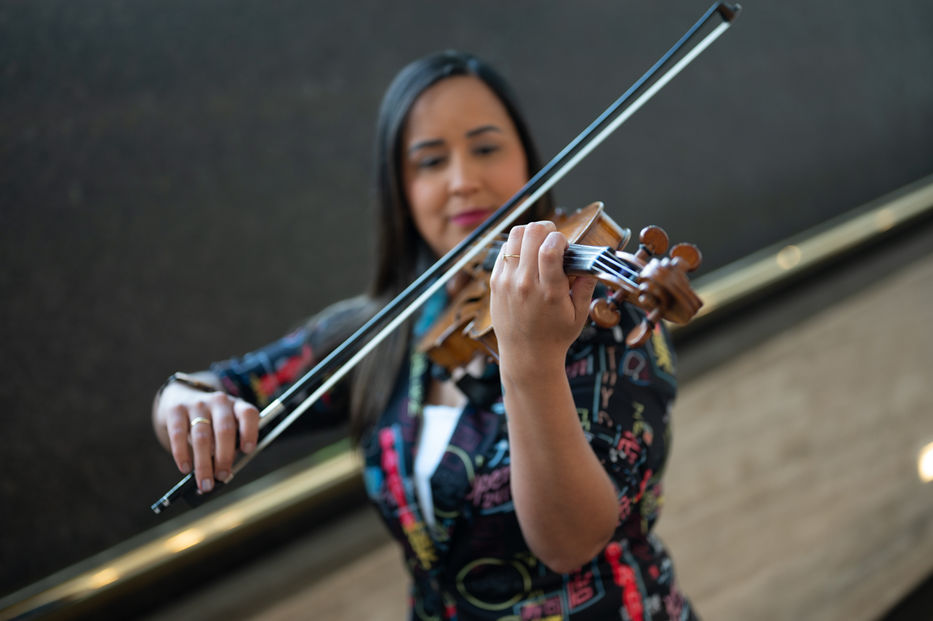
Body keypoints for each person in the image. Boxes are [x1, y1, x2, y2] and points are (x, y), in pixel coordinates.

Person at [152, 50, 697, 620]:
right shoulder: (386, 328)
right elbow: (224, 384)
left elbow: (569, 543)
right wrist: (182, 400)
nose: (463, 181)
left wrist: (530, 360)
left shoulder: (601, 313)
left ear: (529, 160)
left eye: (486, 149)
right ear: (401, 191)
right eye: (430, 162)